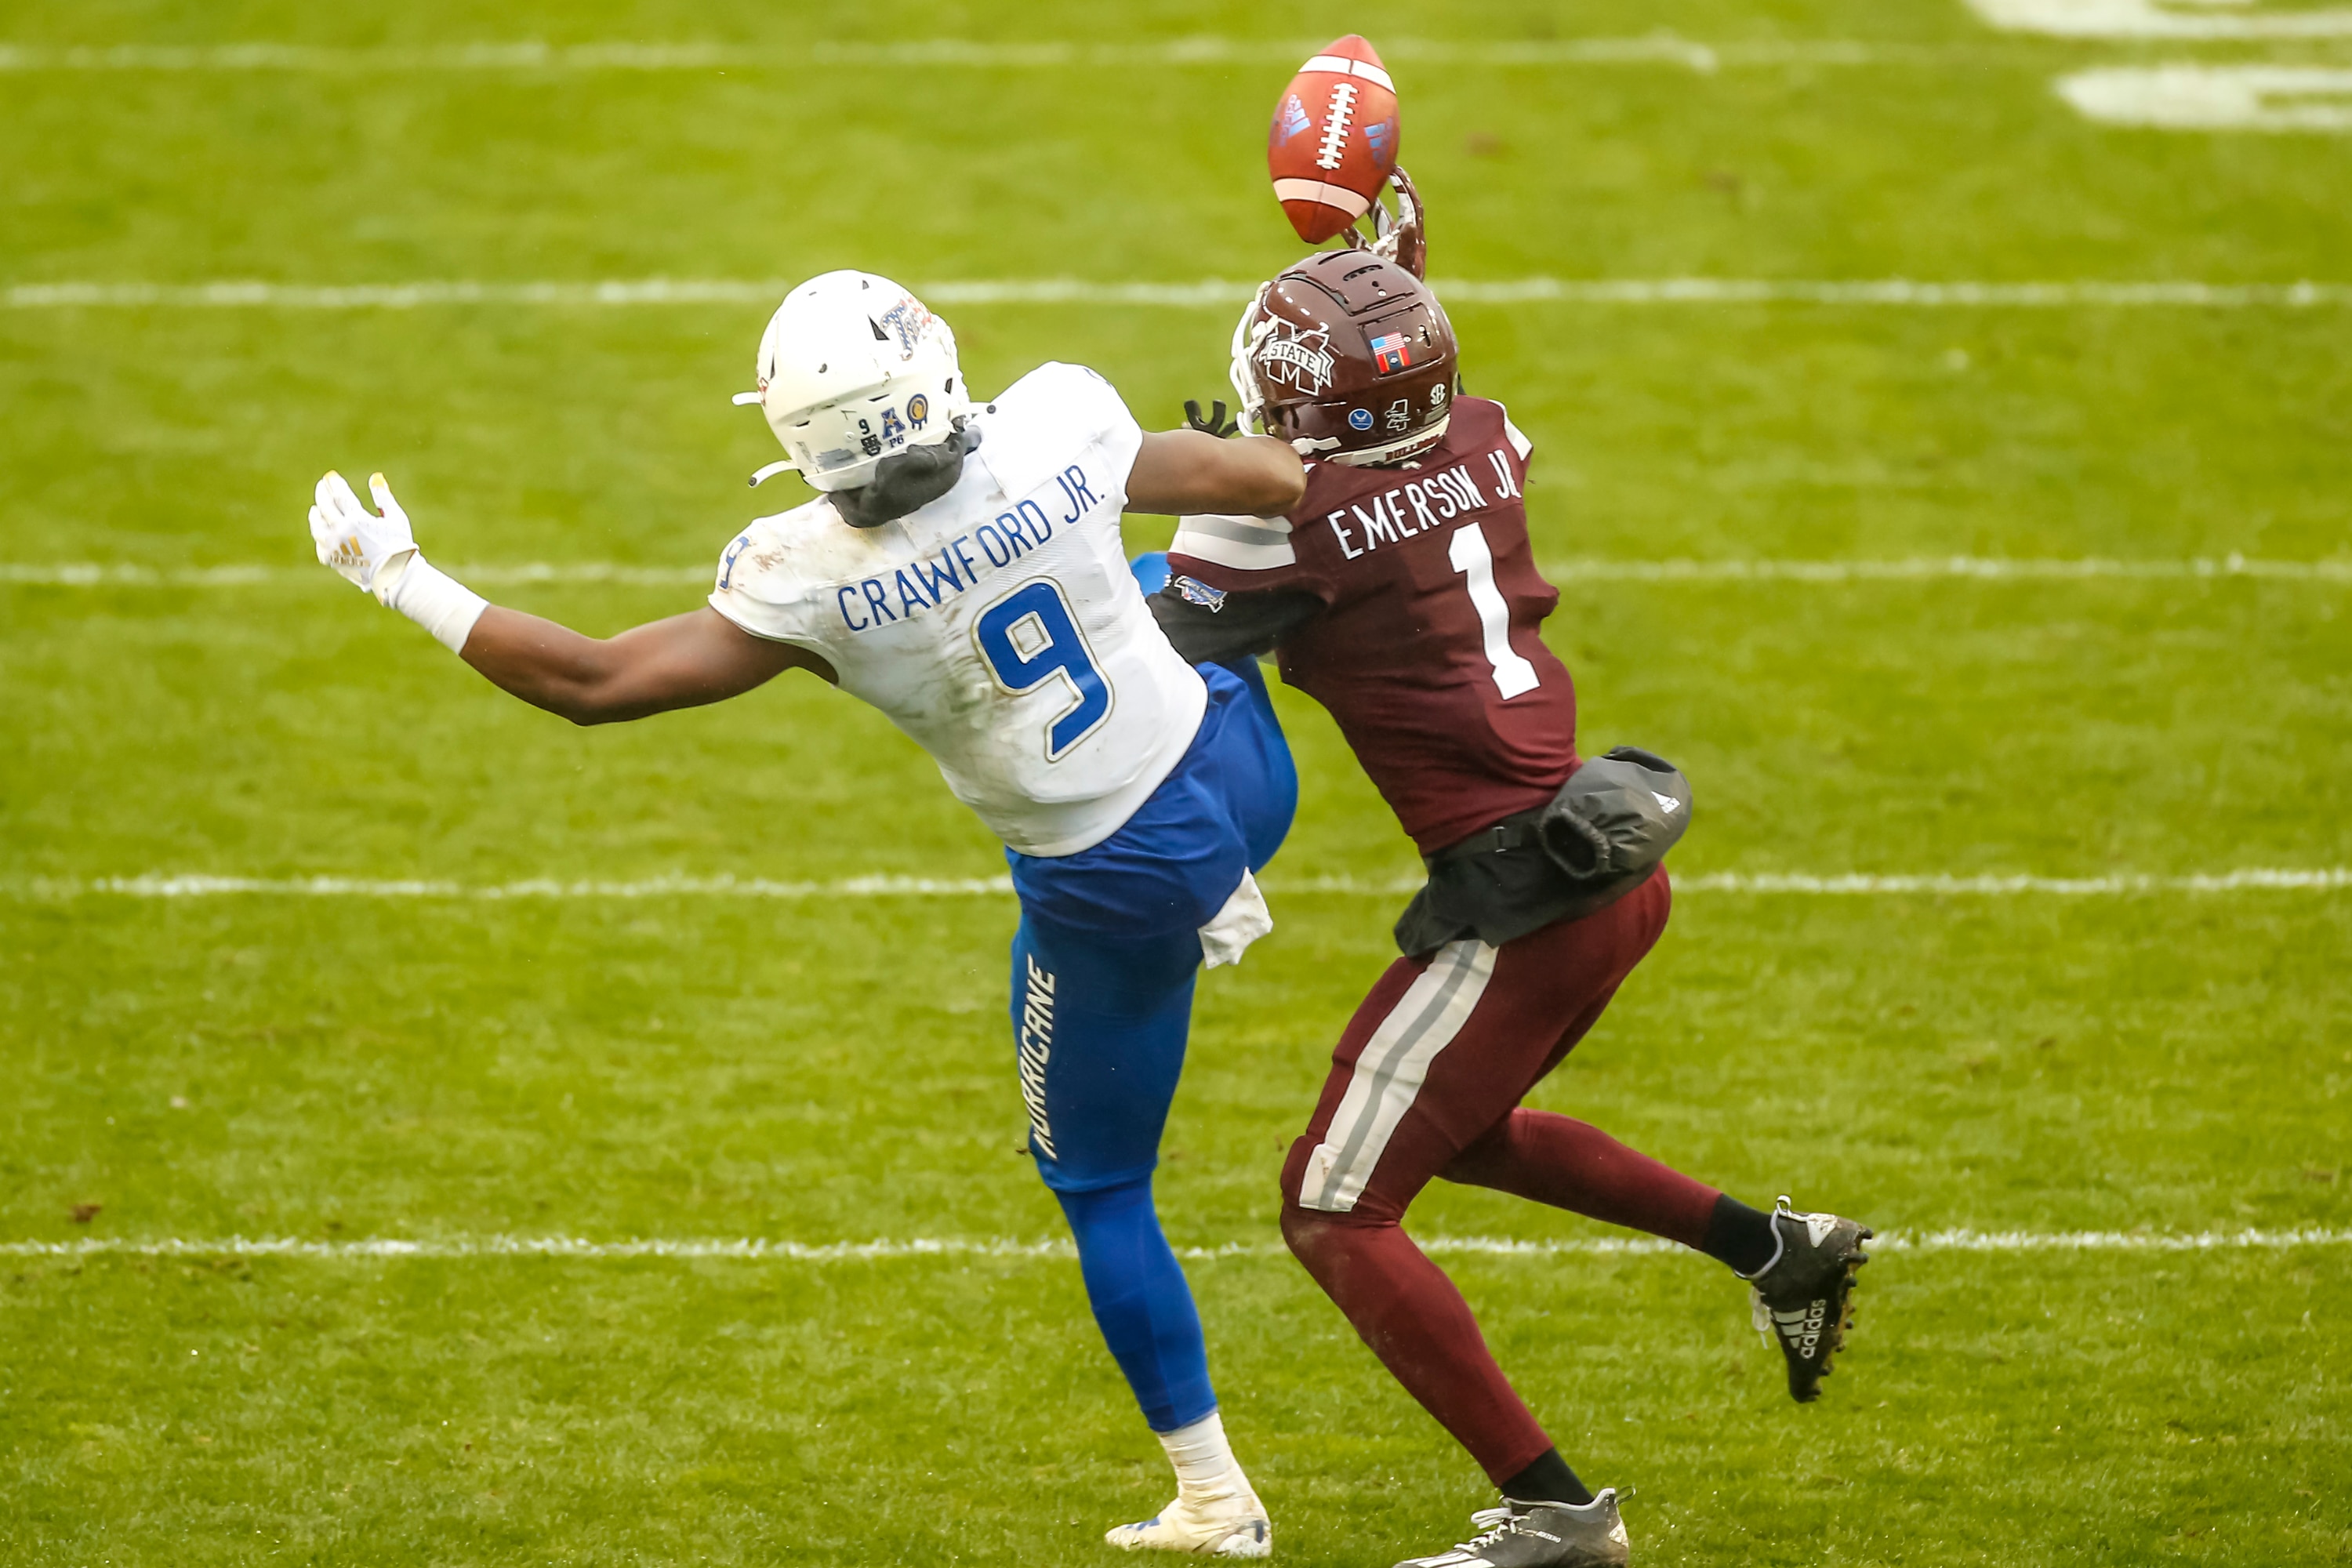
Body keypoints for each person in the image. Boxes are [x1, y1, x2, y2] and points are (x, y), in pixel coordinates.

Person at [305, 270, 1304, 1557]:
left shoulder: (803, 576)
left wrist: (400, 577)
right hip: (1237, 778)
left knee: (1100, 1184)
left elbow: (595, 683)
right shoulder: (1064, 417)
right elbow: (1272, 482)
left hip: (1105, 879)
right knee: (1181, 575)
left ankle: (1217, 1502)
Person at [1145, 203, 1872, 1568]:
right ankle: (1784, 1252)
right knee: (1459, 1132)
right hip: (1609, 860)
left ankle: (1558, 1515)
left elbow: (1158, 618)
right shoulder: (1489, 430)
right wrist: (1388, 283)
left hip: (1520, 902)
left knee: (1331, 1206)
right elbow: (1396, 431)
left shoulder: (1295, 525)